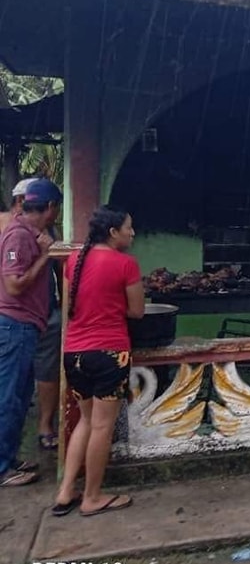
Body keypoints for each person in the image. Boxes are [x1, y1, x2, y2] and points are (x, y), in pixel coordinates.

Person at [53, 207, 144, 516]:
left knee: (86, 421)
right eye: (128, 228)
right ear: (112, 232)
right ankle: (91, 497)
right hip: (109, 353)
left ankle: (66, 491)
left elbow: (72, 304)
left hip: (74, 354)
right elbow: (137, 312)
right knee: (102, 427)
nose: (132, 233)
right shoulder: (125, 264)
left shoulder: (74, 260)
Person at [0, 178, 61, 487]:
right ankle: (2, 468)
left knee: (21, 397)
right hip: (15, 325)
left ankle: (9, 458)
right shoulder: (19, 235)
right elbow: (14, 284)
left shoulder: (29, 233)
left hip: (26, 325)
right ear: (49, 207)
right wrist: (44, 257)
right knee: (8, 397)